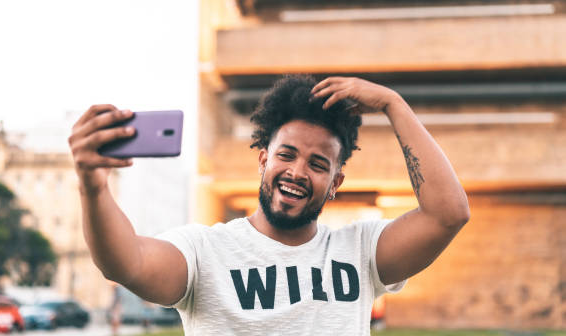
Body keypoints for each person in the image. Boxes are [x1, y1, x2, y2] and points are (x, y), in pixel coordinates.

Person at [68, 75, 470, 335]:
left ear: (335, 184)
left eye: (317, 164)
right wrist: (92, 185)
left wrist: (392, 104)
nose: (297, 172)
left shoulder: (361, 251)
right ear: (263, 160)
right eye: (286, 155)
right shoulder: (205, 251)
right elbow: (126, 262)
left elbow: (447, 213)